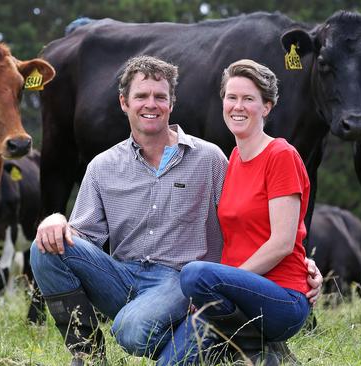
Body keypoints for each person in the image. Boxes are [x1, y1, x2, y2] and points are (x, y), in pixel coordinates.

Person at [30, 55, 322, 366]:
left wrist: (300, 260)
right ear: (123, 103)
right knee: (44, 248)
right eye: (141, 96)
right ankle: (87, 354)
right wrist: (55, 218)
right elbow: (81, 236)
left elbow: (248, 220)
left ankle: (240, 341)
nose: (150, 104)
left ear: (172, 103)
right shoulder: (103, 167)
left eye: (160, 96)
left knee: (132, 332)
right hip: (122, 276)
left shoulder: (211, 160)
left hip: (182, 282)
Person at [158, 59, 313, 366]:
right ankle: (250, 349)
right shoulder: (234, 160)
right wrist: (214, 288)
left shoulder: (281, 155)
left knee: (195, 273)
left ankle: (259, 349)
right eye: (231, 97)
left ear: (266, 107)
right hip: (234, 298)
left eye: (248, 99)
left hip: (281, 297)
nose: (237, 106)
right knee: (170, 362)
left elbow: (282, 243)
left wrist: (220, 281)